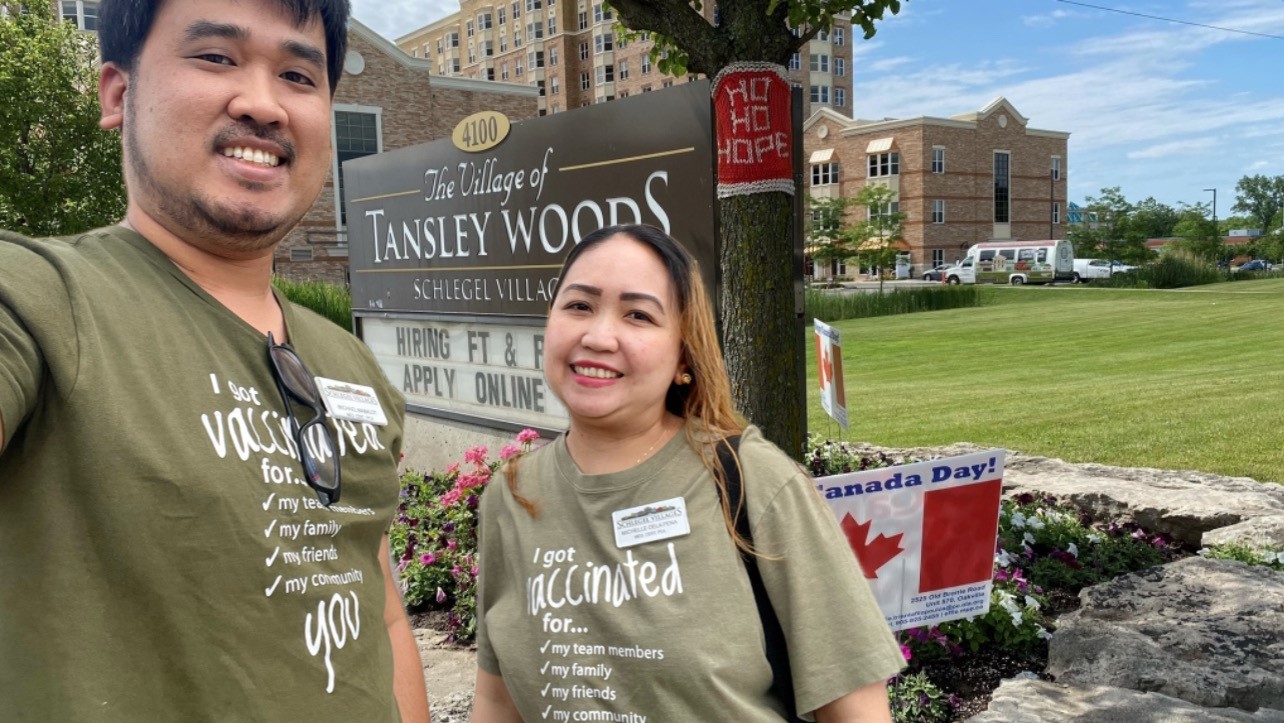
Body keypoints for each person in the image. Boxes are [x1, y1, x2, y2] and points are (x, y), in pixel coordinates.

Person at [0, 0, 430, 720]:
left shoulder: (352, 367)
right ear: (118, 92)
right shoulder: (42, 303)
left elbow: (377, 610)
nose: (262, 104)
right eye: (216, 57)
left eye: (297, 74)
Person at [470, 225, 905, 722]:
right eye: (579, 306)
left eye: (638, 314)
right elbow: (497, 700)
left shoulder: (752, 481)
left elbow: (856, 711)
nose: (598, 336)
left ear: (683, 355)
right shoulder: (512, 497)